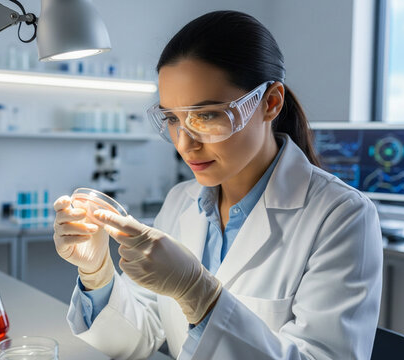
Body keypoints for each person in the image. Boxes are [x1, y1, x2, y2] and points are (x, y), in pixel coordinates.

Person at [52, 10, 382, 360]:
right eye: (172, 119)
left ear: (270, 103)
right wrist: (97, 272)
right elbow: (138, 338)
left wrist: (200, 296)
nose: (185, 144)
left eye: (206, 116)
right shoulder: (181, 200)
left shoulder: (342, 217)